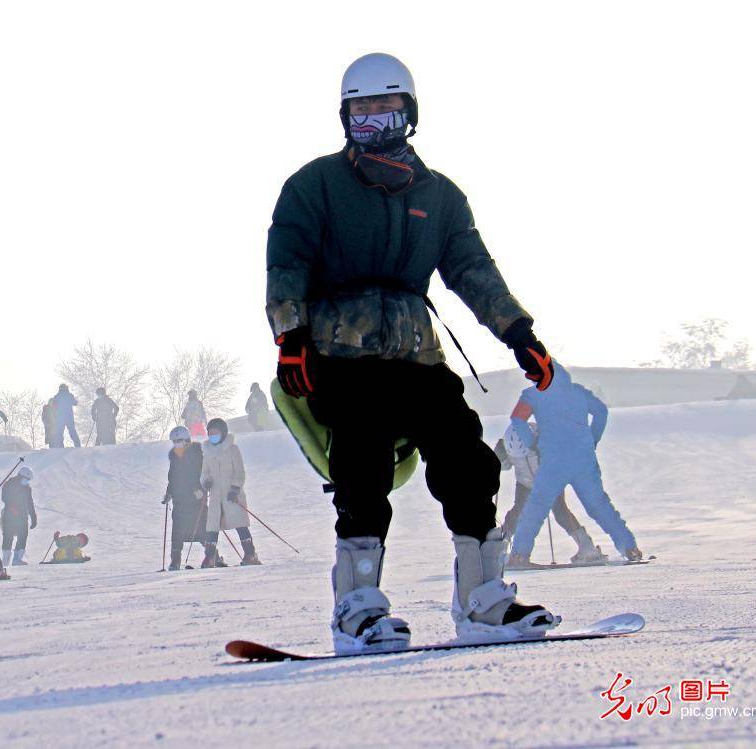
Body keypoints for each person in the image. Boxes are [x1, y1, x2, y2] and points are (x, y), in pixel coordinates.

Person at [266, 53, 559, 653]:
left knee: (468, 458)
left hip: (416, 355)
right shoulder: (314, 185)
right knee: (363, 457)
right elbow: (287, 259)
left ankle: (483, 600)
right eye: (361, 108)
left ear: (409, 112)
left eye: (385, 106)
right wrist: (290, 336)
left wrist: (519, 334)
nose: (373, 118)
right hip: (339, 351)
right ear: (345, 116)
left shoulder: (440, 196)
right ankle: (358, 606)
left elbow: (473, 270)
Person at [506, 362, 642, 566]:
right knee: (599, 505)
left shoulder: (532, 394)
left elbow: (517, 419)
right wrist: (592, 440)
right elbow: (601, 412)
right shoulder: (578, 391)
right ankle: (629, 547)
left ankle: (519, 555)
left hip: (553, 460)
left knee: (536, 507)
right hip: (583, 459)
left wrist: (532, 443)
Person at [497, 422, 604, 564]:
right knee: (518, 512)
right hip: (525, 482)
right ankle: (499, 550)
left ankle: (587, 548)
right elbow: (504, 466)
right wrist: (497, 458)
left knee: (560, 511)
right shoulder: (509, 442)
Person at [200, 418, 260, 567]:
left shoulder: (233, 449)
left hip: (231, 495)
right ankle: (209, 558)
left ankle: (250, 554)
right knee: (212, 527)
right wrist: (205, 481)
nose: (212, 435)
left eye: (215, 432)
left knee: (240, 524)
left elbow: (240, 472)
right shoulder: (207, 452)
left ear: (223, 432)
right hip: (215, 496)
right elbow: (204, 472)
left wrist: (235, 488)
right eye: (210, 433)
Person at [162, 426, 208, 570]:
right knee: (177, 531)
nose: (177, 444)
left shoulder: (197, 454)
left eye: (179, 440)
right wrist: (169, 493)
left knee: (201, 529)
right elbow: (172, 478)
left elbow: (201, 474)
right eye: (174, 441)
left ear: (187, 440)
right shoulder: (174, 458)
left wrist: (201, 489)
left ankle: (212, 556)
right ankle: (175, 561)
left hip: (195, 499)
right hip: (179, 501)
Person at [0, 465, 38, 565]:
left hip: (22, 516)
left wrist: (33, 517)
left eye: (28, 480)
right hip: (9, 515)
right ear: (20, 476)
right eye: (26, 479)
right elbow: (4, 498)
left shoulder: (27, 488)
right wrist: (12, 507)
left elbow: (30, 502)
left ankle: (17, 559)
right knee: (8, 536)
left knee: (23, 535)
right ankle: (5, 560)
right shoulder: (9, 484)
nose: (27, 481)